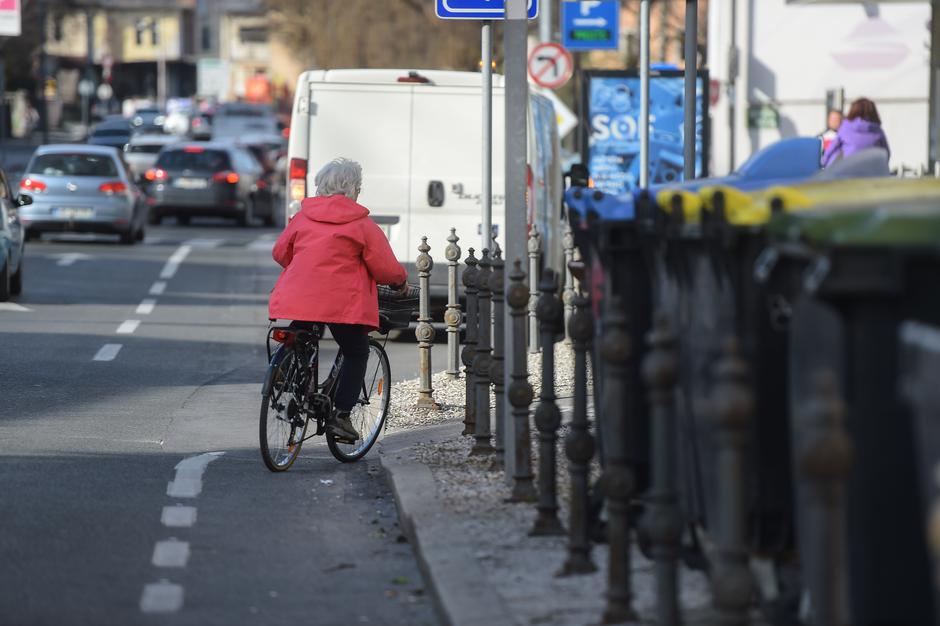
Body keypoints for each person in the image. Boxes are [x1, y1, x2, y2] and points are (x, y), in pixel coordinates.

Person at [268, 158, 408, 443]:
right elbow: (385, 268)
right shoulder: (362, 225)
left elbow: (281, 253)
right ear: (354, 189)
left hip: (300, 297)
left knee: (301, 331)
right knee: (356, 352)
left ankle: (288, 372)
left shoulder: (302, 218)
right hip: (342, 305)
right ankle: (341, 416)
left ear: (321, 186)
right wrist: (400, 284)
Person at [821, 98, 890, 167]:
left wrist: (823, 164)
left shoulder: (845, 128)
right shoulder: (877, 130)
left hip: (848, 170)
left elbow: (832, 149)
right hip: (871, 171)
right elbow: (886, 153)